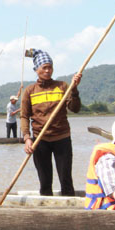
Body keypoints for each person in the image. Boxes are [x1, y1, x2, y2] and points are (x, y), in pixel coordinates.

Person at [20, 49, 82, 196]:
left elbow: (75, 109)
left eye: (50, 67)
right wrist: (27, 138)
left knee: (66, 180)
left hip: (62, 138)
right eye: (44, 68)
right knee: (45, 181)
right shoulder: (30, 91)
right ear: (36, 69)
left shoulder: (62, 86)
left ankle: (70, 213)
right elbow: (24, 116)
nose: (48, 71)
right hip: (40, 140)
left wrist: (74, 89)